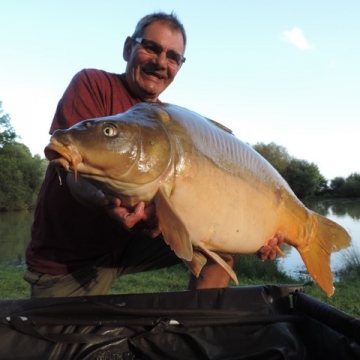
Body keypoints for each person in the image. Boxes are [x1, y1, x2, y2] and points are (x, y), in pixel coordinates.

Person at [24, 12, 283, 298]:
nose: (161, 62)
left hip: (133, 242)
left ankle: (196, 332)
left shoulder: (169, 122)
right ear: (127, 48)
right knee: (61, 343)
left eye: (173, 57)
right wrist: (106, 200)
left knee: (218, 251)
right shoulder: (93, 84)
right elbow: (72, 172)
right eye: (151, 47)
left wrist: (258, 235)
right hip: (69, 259)